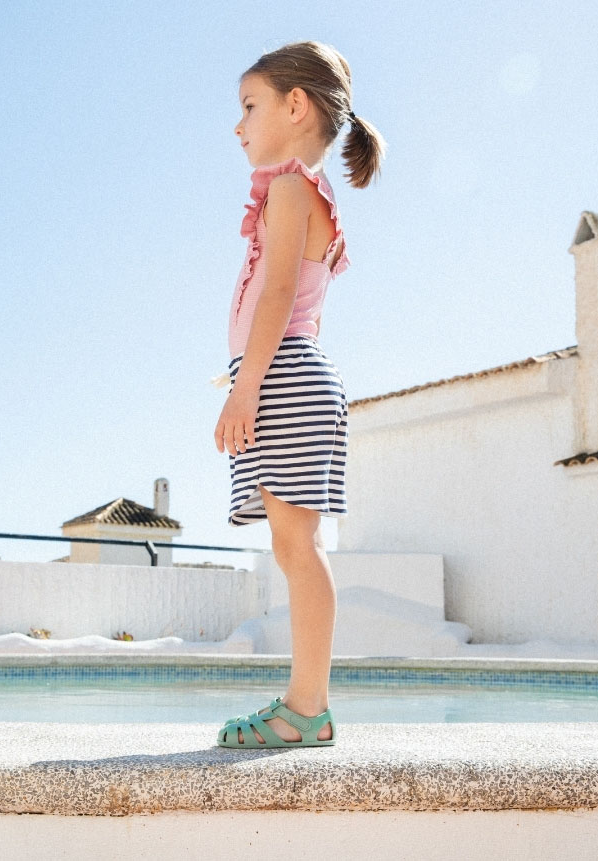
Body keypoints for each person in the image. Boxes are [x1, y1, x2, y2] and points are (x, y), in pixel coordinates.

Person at [214, 41, 386, 748]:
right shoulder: (300, 192)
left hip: (281, 375)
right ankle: (304, 703)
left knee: (297, 545)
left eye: (249, 105)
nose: (238, 125)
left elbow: (280, 292)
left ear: (294, 105)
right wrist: (245, 375)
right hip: (282, 371)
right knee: (291, 545)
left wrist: (246, 386)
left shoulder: (289, 188)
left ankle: (306, 706)